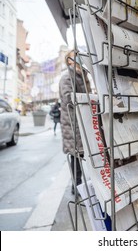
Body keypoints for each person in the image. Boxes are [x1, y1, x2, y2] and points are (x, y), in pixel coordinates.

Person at [59, 50, 91, 195]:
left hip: (83, 121)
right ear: (69, 60)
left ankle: (82, 186)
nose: (79, 58)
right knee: (77, 157)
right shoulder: (67, 76)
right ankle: (76, 187)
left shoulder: (83, 75)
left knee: (84, 155)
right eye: (75, 55)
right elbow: (67, 97)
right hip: (73, 124)